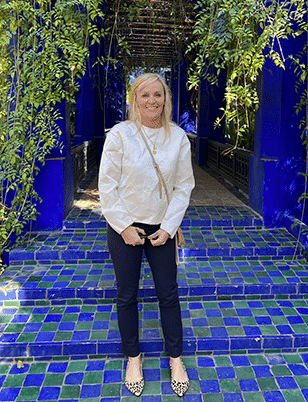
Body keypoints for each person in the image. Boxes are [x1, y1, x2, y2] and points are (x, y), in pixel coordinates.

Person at [98, 73, 195, 397]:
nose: (152, 101)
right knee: (127, 295)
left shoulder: (178, 138)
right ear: (134, 99)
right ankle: (133, 359)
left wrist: (168, 228)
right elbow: (107, 184)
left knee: (168, 294)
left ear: (165, 98)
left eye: (158, 94)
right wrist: (123, 226)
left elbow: (184, 187)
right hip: (123, 226)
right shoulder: (120, 135)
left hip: (162, 228)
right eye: (145, 95)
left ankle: (176, 360)